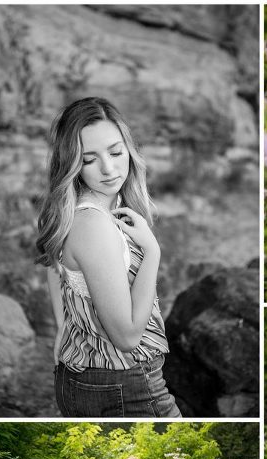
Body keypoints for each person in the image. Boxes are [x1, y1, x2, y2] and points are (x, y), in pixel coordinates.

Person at [35, 97, 181, 418]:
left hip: (89, 377)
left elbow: (53, 266)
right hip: (125, 382)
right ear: (72, 165)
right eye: (89, 159)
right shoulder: (93, 223)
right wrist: (152, 253)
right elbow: (127, 336)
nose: (109, 169)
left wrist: (63, 327)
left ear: (129, 148)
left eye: (115, 152)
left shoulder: (85, 209)